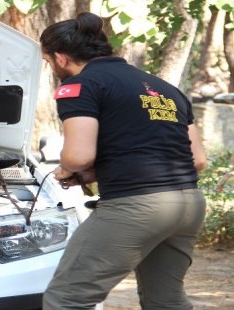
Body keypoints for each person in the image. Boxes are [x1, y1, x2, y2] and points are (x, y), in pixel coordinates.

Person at [39, 12, 208, 309]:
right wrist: (94, 172)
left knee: (66, 298)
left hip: (136, 207)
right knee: (166, 299)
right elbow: (197, 160)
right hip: (188, 205)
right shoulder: (167, 90)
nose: (51, 67)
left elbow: (78, 155)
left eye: (48, 61)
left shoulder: (80, 86)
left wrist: (66, 169)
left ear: (60, 57)